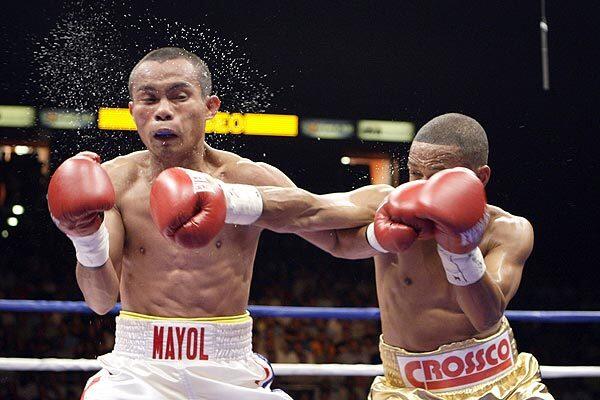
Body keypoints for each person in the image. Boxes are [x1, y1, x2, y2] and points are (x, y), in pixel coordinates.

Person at [47, 47, 380, 399]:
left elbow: (338, 239)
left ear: (210, 107)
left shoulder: (246, 178)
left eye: (179, 97)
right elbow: (100, 301)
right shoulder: (114, 182)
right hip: (140, 368)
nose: (163, 111)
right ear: (133, 112)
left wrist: (388, 227)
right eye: (149, 99)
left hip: (228, 365)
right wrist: (85, 239)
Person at [322, 113, 554, 399]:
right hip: (408, 388)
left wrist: (460, 248)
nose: (422, 186)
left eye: (437, 176)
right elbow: (308, 214)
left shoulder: (506, 229)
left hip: (501, 382)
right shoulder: (383, 206)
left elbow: (486, 316)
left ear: (480, 177)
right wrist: (253, 198)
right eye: (415, 174)